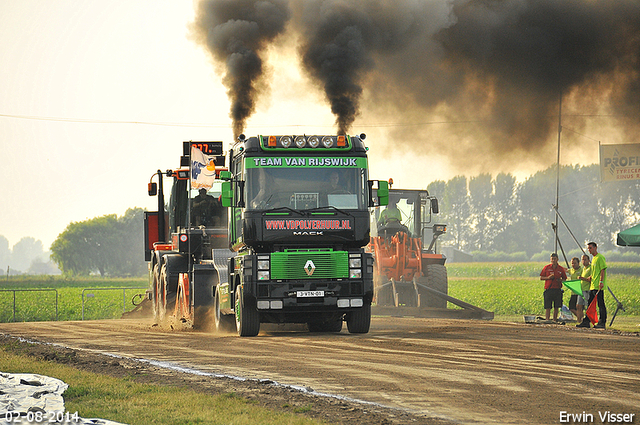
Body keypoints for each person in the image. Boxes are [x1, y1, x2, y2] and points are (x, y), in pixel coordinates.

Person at [539, 253, 567, 322]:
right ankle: (547, 319)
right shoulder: (547, 268)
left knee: (556, 306)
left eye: (555, 259)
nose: (553, 260)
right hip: (549, 289)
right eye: (552, 259)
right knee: (548, 306)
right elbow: (541, 277)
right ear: (550, 259)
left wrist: (560, 280)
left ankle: (554, 320)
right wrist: (548, 278)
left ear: (557, 259)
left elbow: (564, 278)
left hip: (557, 289)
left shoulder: (560, 269)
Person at [585, 242, 607, 329]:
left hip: (598, 286)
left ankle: (602, 322)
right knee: (590, 304)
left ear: (595, 248)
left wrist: (601, 281)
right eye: (588, 248)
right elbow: (595, 271)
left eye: (590, 248)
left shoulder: (600, 257)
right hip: (593, 285)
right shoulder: (593, 259)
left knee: (600, 304)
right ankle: (587, 321)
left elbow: (602, 270)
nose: (589, 250)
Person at [576, 254, 592, 328]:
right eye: (582, 259)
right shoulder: (583, 269)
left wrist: (583, 278)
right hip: (581, 290)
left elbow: (590, 279)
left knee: (587, 306)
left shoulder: (590, 268)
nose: (584, 261)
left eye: (585, 259)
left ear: (589, 260)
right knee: (579, 306)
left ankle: (587, 321)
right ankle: (580, 320)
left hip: (587, 290)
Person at [567, 257, 583, 323]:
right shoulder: (571, 270)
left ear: (578, 263)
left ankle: (580, 319)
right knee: (571, 308)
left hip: (580, 291)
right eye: (572, 263)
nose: (573, 265)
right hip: (573, 292)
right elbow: (565, 270)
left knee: (579, 307)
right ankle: (581, 318)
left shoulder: (582, 270)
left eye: (575, 263)